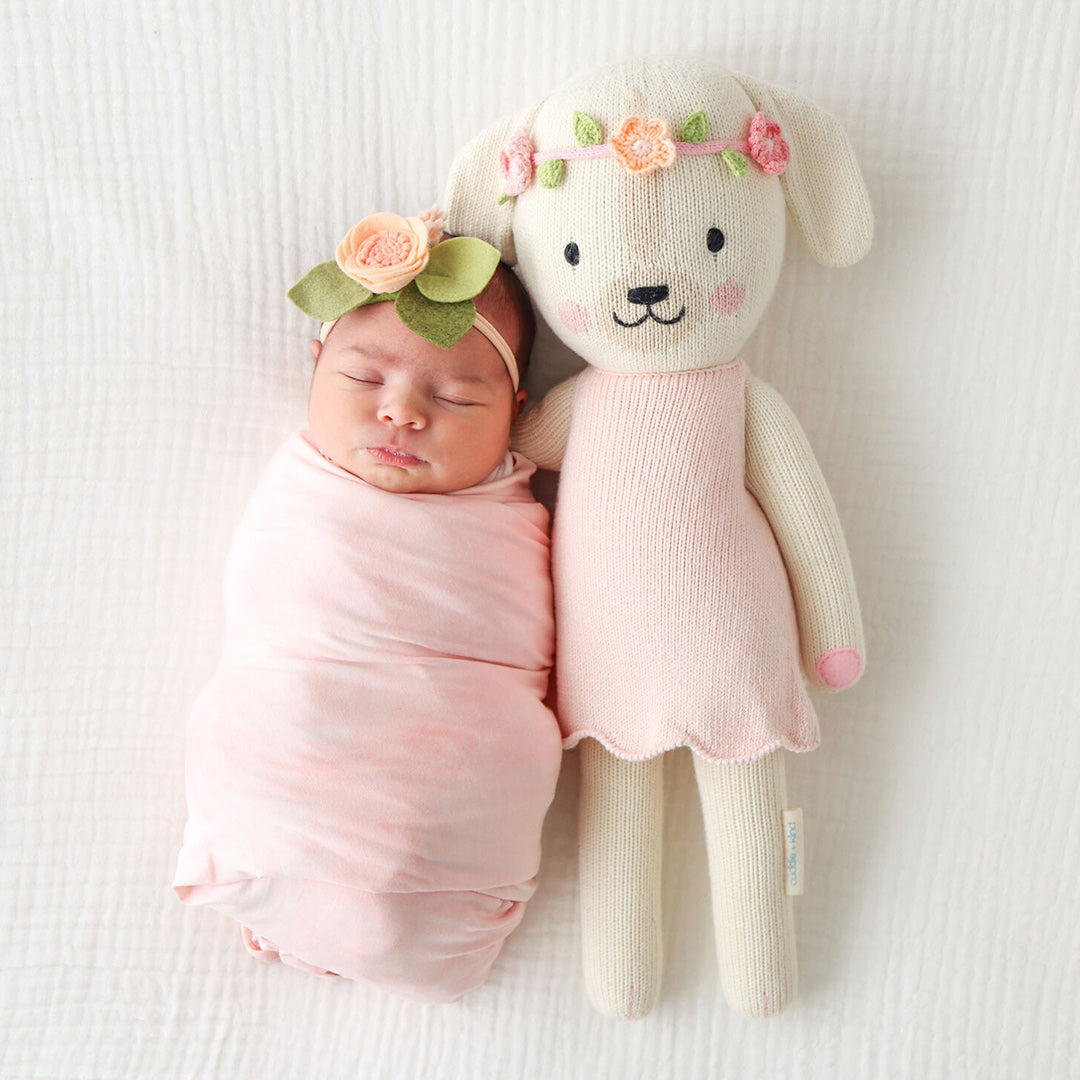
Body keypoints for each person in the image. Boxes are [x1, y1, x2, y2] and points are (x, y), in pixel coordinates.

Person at [172, 208, 562, 1002]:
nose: (402, 412)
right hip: (291, 732)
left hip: (458, 781)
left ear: (518, 413)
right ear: (317, 365)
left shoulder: (517, 513)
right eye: (362, 379)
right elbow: (268, 619)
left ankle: (342, 908)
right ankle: (275, 874)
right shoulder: (302, 489)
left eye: (455, 397)